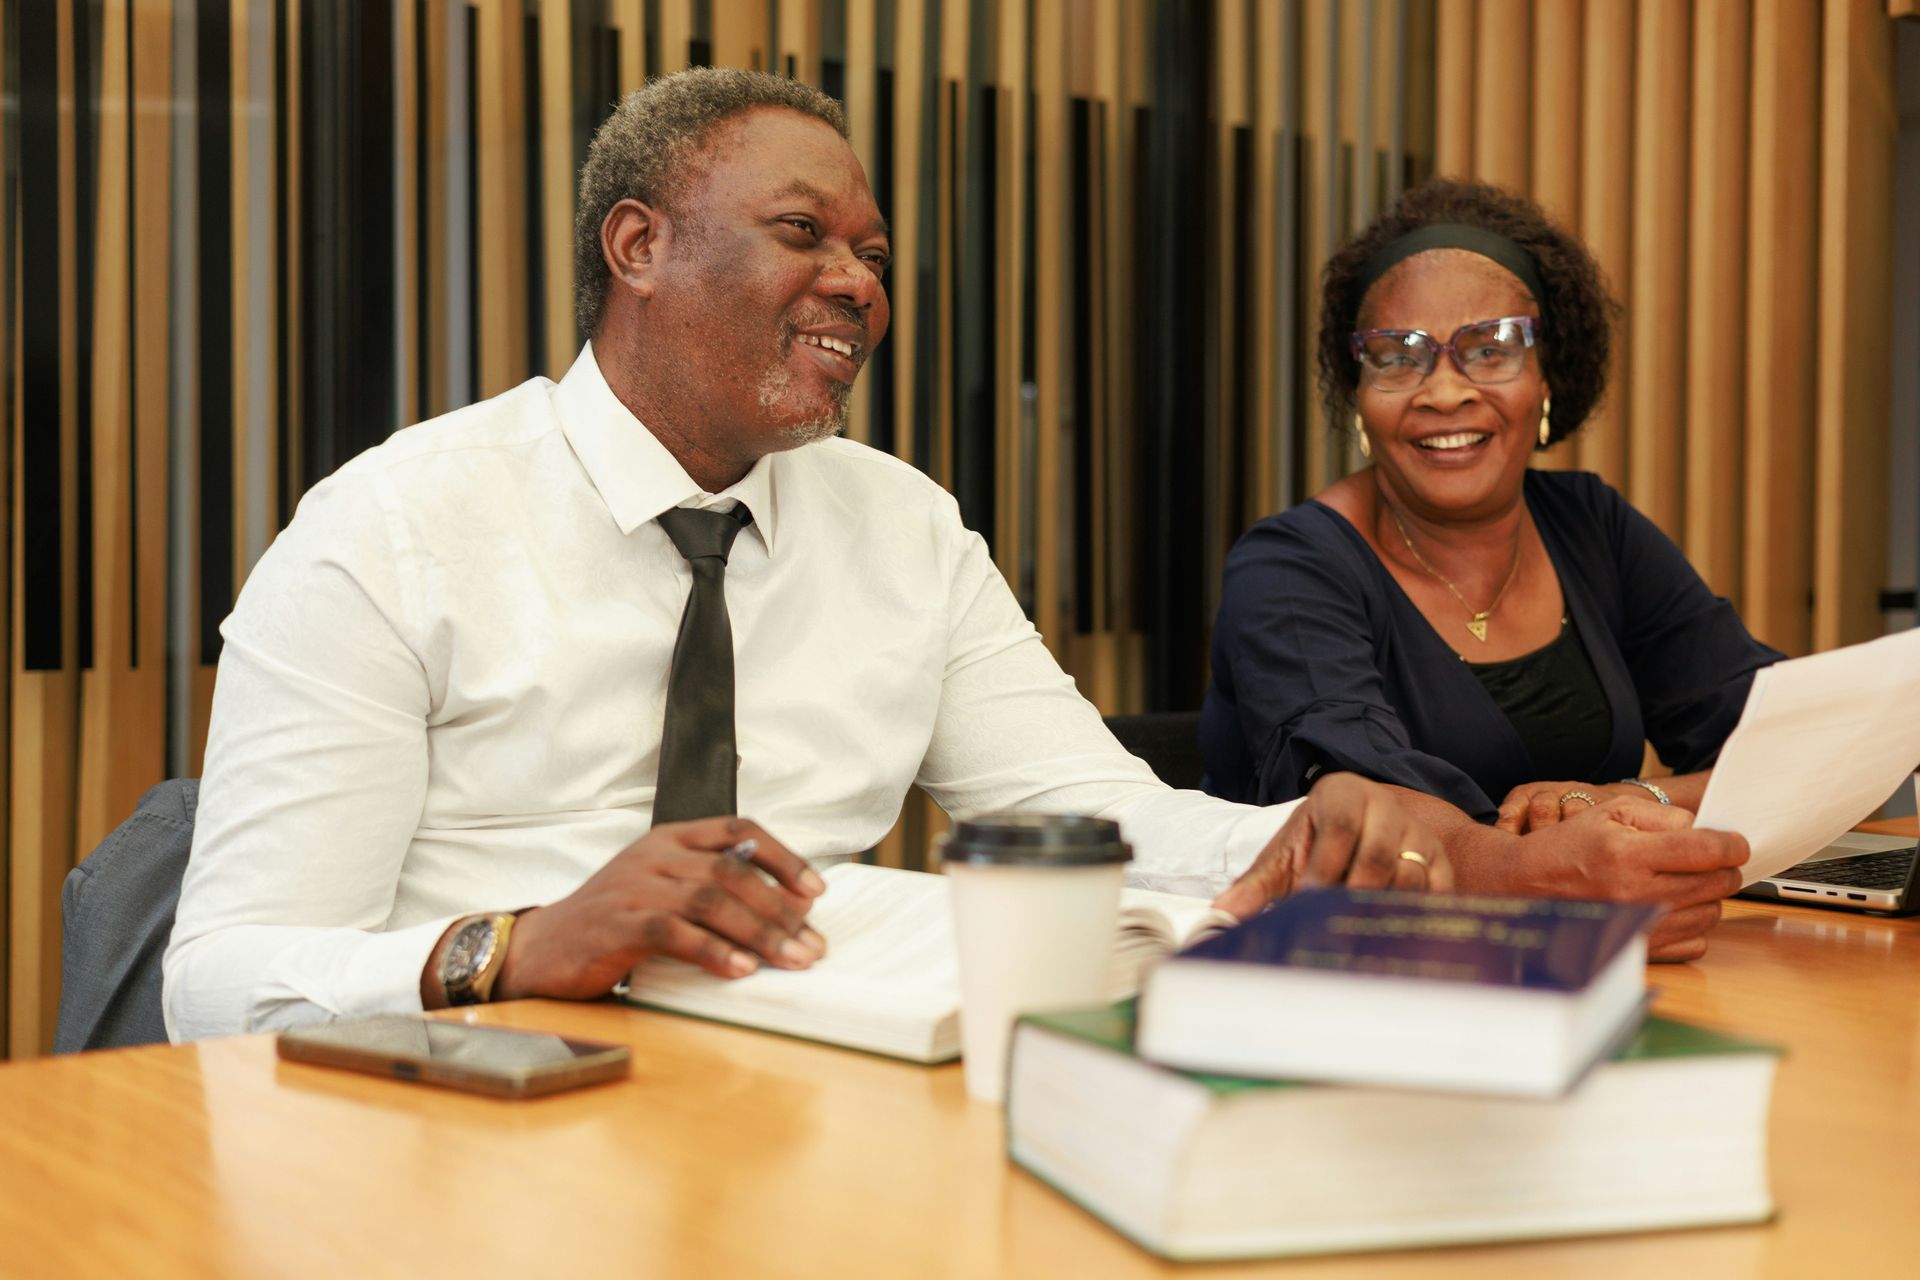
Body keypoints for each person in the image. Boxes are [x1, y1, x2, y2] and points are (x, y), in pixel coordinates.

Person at [163, 69, 1472, 1042]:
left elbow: (1093, 818)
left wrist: (1305, 832)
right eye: (807, 234)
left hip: (811, 1093)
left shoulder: (903, 528)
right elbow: (215, 979)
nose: (860, 282)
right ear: (641, 248)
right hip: (462, 1128)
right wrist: (528, 943)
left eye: (876, 255)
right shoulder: (390, 532)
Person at [1199, 178, 1773, 958]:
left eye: (1491, 348)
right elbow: (1365, 809)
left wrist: (1617, 799)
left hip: (1593, 975)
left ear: (1547, 380)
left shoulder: (1591, 527)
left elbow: (1776, 745)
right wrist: (1549, 875)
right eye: (1396, 358)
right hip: (1352, 980)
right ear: (1358, 396)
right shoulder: (1291, 567)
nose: (1443, 390)